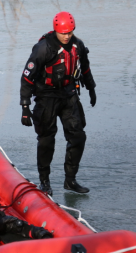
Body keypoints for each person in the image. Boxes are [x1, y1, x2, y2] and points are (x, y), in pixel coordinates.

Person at [20, 11, 97, 195]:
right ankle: (44, 182)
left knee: (78, 136)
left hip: (68, 93)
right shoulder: (43, 48)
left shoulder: (78, 45)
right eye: (63, 33)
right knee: (47, 140)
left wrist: (91, 88)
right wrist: (25, 106)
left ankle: (70, 180)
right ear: (56, 30)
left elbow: (84, 67)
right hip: (46, 96)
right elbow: (27, 78)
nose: (67, 36)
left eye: (70, 32)